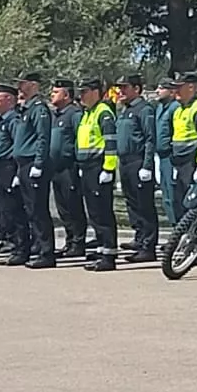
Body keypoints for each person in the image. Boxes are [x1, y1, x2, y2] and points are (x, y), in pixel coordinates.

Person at [74, 78, 121, 271]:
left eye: (84, 91)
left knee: (102, 212)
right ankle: (101, 249)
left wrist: (108, 169)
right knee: (93, 211)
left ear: (95, 92)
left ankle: (109, 254)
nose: (81, 96)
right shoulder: (87, 113)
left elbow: (110, 143)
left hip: (98, 167)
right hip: (87, 167)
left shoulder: (103, 112)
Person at [114, 74, 160, 262]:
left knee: (144, 204)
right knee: (132, 203)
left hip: (138, 161)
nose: (121, 91)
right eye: (120, 87)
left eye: (125, 88)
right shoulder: (125, 110)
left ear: (137, 89)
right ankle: (139, 237)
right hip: (124, 162)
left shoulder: (144, 110)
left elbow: (150, 138)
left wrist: (147, 165)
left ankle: (148, 246)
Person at [12, 72, 56, 269]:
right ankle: (38, 247)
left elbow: (42, 138)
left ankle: (47, 252)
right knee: (30, 209)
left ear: (33, 85)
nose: (20, 87)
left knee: (38, 209)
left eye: (23, 84)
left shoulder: (39, 109)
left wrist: (38, 164)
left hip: (33, 163)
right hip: (23, 164)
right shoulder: (26, 109)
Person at [0, 84, 25, 265]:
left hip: (9, 167)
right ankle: (12, 243)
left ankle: (20, 247)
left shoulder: (13, 120)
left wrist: (16, 170)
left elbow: (17, 146)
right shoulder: (2, 120)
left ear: (9, 100)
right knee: (4, 209)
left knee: (14, 209)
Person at [50, 79, 87, 258]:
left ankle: (78, 243)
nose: (52, 94)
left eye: (56, 92)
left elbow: (79, 138)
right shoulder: (56, 115)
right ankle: (69, 240)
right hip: (56, 168)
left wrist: (78, 163)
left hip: (70, 167)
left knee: (73, 206)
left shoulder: (74, 114)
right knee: (62, 207)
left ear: (66, 95)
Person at [167, 74, 197, 219]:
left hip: (192, 160)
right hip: (179, 161)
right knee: (179, 201)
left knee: (195, 202)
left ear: (191, 87)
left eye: (179, 87)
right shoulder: (178, 110)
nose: (175, 91)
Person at [153, 79, 179, 227]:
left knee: (173, 194)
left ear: (172, 91)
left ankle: (179, 228)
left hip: (171, 157)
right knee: (166, 196)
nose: (157, 90)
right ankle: (174, 228)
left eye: (161, 88)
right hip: (161, 157)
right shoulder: (159, 108)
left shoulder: (175, 108)